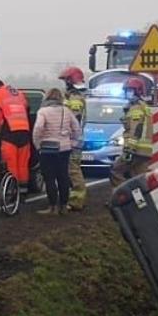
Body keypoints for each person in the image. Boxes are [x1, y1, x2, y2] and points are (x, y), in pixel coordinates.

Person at [32, 88, 82, 215]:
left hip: (47, 149)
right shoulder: (67, 111)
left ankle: (52, 207)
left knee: (49, 178)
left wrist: (38, 145)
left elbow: (38, 128)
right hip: (65, 148)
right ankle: (64, 206)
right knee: (63, 177)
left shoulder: (43, 111)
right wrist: (73, 143)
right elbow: (77, 128)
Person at [111, 78, 157, 185]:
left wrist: (129, 149)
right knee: (139, 180)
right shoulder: (144, 106)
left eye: (130, 91)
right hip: (145, 151)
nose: (127, 94)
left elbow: (136, 129)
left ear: (138, 91)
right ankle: (140, 200)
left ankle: (121, 198)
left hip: (136, 150)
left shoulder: (136, 108)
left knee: (115, 170)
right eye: (126, 91)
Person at [0, 79, 33, 190]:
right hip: (24, 131)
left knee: (11, 163)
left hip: (9, 131)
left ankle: (12, 190)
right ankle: (23, 191)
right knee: (23, 163)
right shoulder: (18, 93)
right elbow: (28, 109)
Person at [60, 67, 89, 211]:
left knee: (73, 170)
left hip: (73, 140)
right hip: (71, 140)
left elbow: (74, 121)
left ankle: (77, 200)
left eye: (66, 80)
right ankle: (73, 198)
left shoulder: (76, 99)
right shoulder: (71, 97)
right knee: (69, 169)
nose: (65, 83)